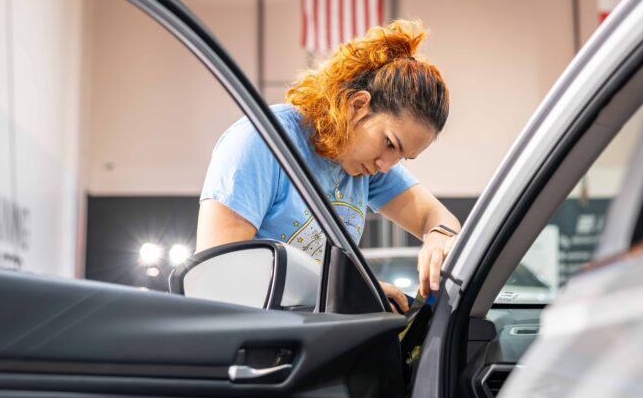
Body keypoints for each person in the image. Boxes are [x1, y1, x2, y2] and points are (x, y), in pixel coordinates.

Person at [197, 19, 460, 313]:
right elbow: (217, 275)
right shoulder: (261, 142)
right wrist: (351, 292)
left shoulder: (364, 165)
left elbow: (436, 216)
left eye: (403, 157)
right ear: (358, 106)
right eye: (389, 143)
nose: (387, 166)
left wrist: (439, 236)